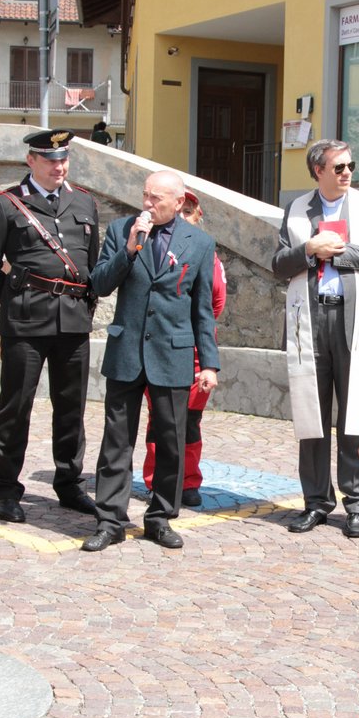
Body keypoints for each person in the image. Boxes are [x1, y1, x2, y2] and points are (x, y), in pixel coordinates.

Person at [82, 170, 220, 553]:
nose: (148, 204)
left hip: (173, 354)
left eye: (157, 198)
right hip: (127, 351)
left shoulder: (201, 243)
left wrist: (209, 363)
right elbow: (100, 283)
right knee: (116, 442)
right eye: (145, 195)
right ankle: (110, 520)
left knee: (171, 442)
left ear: (179, 203)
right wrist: (128, 250)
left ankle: (160, 518)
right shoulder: (122, 230)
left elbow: (202, 309)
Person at [0, 129, 99, 523]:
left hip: (73, 322)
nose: (58, 166)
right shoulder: (7, 205)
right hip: (25, 322)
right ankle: (5, 489)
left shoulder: (84, 202)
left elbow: (91, 264)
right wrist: (16, 300)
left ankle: (69, 483)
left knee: (71, 408)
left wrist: (85, 306)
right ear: (31, 161)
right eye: (50, 159)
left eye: (63, 159)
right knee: (16, 406)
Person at [272, 140, 359, 538]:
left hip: (352, 317)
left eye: (350, 166)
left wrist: (334, 254)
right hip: (310, 317)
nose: (346, 173)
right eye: (338, 166)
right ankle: (316, 502)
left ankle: (357, 504)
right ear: (317, 170)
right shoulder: (296, 209)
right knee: (312, 413)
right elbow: (278, 264)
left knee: (355, 413)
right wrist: (308, 249)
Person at [142, 188, 226, 506]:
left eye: (190, 211)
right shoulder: (154, 247)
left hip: (192, 350)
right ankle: (155, 480)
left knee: (190, 422)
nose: (185, 217)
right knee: (158, 419)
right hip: (162, 347)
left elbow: (214, 301)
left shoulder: (206, 253)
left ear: (198, 216)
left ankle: (188, 480)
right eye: (181, 211)